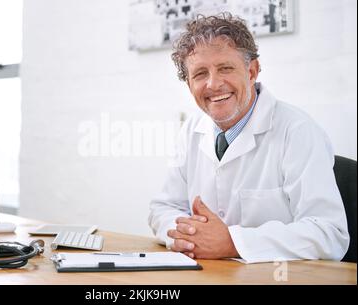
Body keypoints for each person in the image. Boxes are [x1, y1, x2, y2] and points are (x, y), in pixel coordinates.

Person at [148, 13, 349, 263]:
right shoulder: (191, 131)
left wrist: (232, 242)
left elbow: (329, 233)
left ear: (252, 71)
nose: (213, 84)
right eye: (200, 74)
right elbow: (163, 208)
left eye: (225, 68)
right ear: (189, 84)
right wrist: (188, 235)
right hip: (210, 276)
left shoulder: (298, 131)